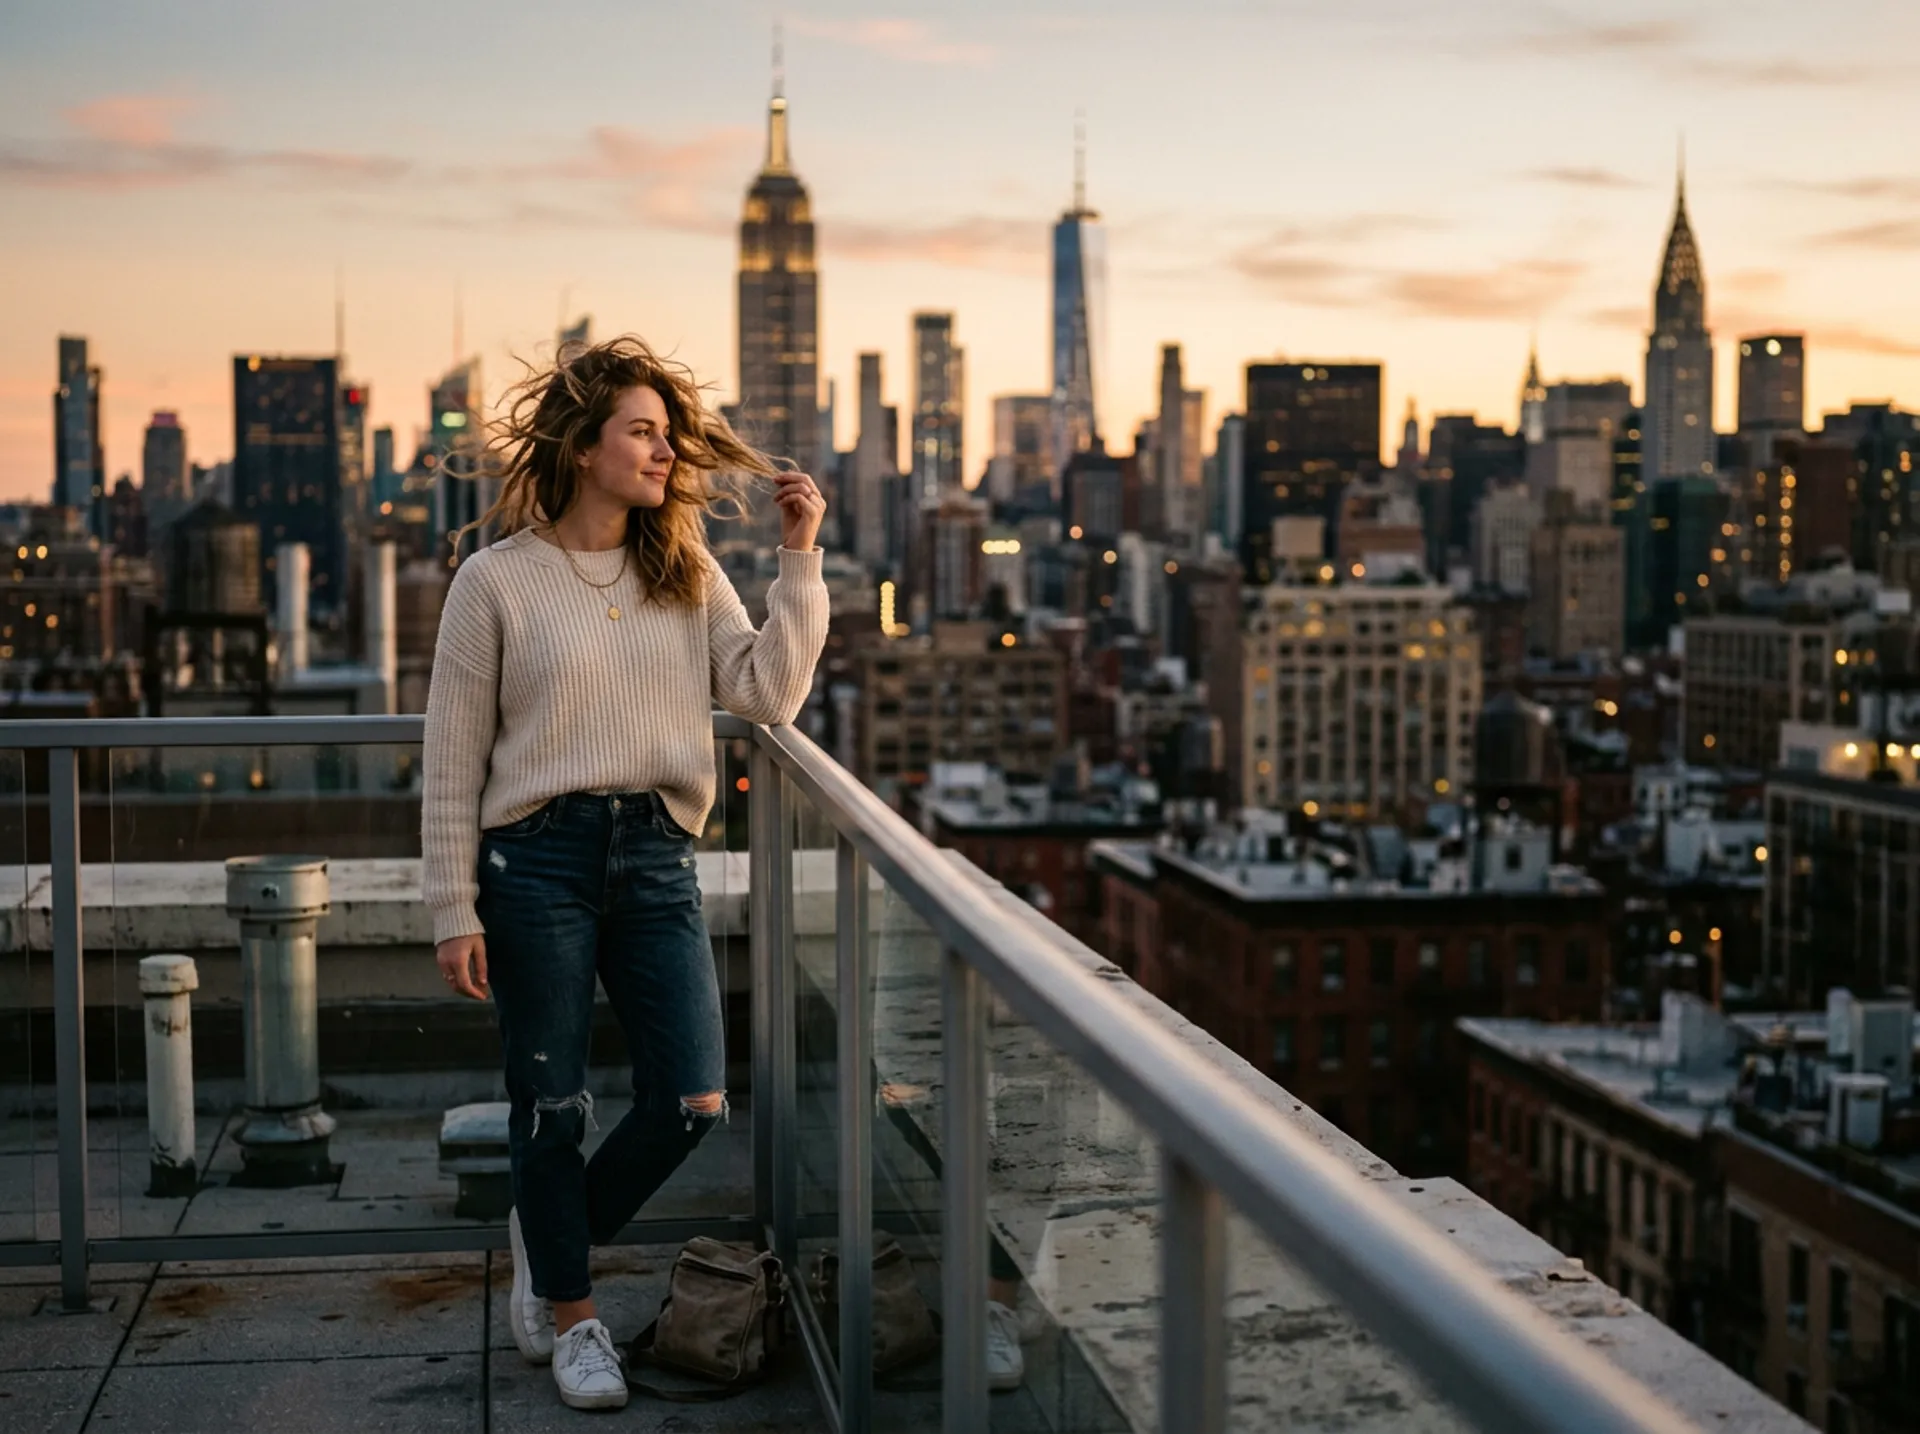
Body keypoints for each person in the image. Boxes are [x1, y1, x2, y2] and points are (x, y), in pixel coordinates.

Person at [421, 335, 828, 1411]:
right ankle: (573, 1318)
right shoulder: (494, 581)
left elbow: (767, 695)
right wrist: (450, 908)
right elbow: (453, 758)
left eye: (667, 433)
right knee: (550, 1107)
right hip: (535, 861)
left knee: (692, 1096)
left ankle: (546, 1236)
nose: (663, 452)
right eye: (641, 432)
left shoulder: (685, 570)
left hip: (655, 855)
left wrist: (800, 557)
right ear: (584, 447)